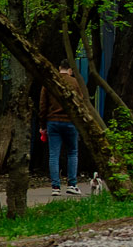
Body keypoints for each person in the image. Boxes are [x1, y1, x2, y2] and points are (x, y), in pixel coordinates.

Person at [39, 64, 85, 196]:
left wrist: (43, 126)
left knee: (54, 154)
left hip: (52, 122)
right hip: (70, 122)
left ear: (59, 68)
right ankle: (72, 184)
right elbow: (80, 102)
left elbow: (43, 106)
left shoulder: (49, 81)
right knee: (72, 152)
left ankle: (55, 187)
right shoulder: (75, 82)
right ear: (70, 70)